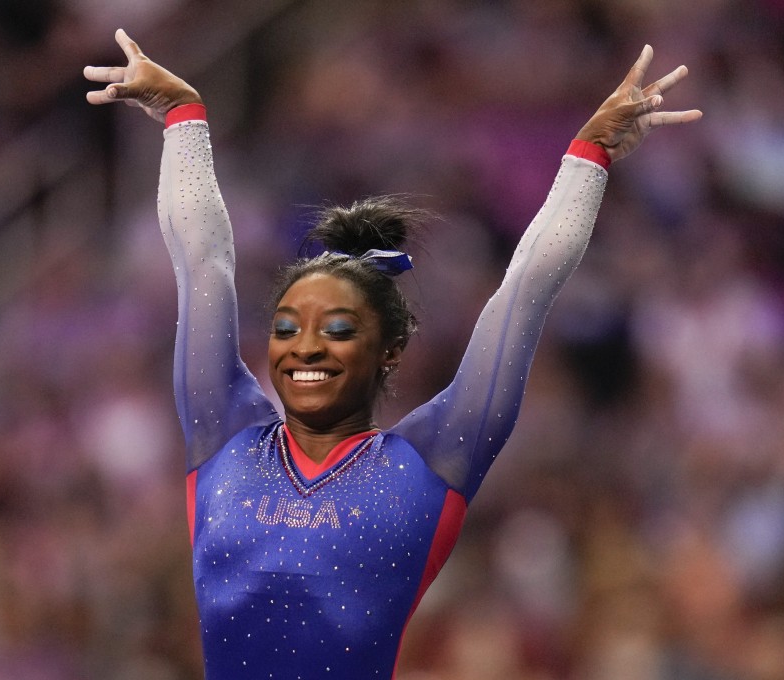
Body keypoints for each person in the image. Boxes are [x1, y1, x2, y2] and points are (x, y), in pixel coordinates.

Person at [85, 28, 701, 680]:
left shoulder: (431, 461)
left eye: (338, 329)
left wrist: (591, 154)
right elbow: (202, 259)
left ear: (388, 354)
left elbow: (523, 293)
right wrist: (183, 118)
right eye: (288, 328)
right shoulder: (223, 433)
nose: (306, 347)